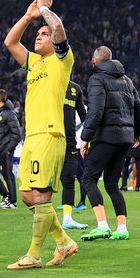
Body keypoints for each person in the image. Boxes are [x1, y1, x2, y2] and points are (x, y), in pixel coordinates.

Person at [4, 0, 77, 269]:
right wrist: (28, 16)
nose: (39, 35)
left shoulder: (62, 60)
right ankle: (64, 242)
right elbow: (10, 41)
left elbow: (58, 28)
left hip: (50, 133)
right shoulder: (33, 63)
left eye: (42, 34)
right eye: (38, 33)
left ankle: (33, 255)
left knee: (42, 195)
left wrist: (45, 11)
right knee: (27, 196)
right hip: (31, 135)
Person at [79, 46, 140, 241]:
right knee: (111, 184)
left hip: (106, 136)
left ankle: (102, 225)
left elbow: (96, 111)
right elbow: (138, 107)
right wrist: (136, 133)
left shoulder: (97, 79)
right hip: (125, 138)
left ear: (96, 61)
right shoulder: (127, 80)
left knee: (88, 179)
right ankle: (122, 228)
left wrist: (86, 137)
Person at [58, 80, 88, 229]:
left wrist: (88, 137)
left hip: (70, 141)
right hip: (51, 139)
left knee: (69, 180)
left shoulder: (75, 88)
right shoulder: (49, 82)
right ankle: (41, 217)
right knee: (47, 181)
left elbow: (83, 115)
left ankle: (67, 219)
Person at [0, 89, 21, 209]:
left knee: (8, 174)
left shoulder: (9, 114)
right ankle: (5, 194)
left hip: (4, 149)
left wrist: (8, 148)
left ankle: (13, 201)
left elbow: (17, 134)